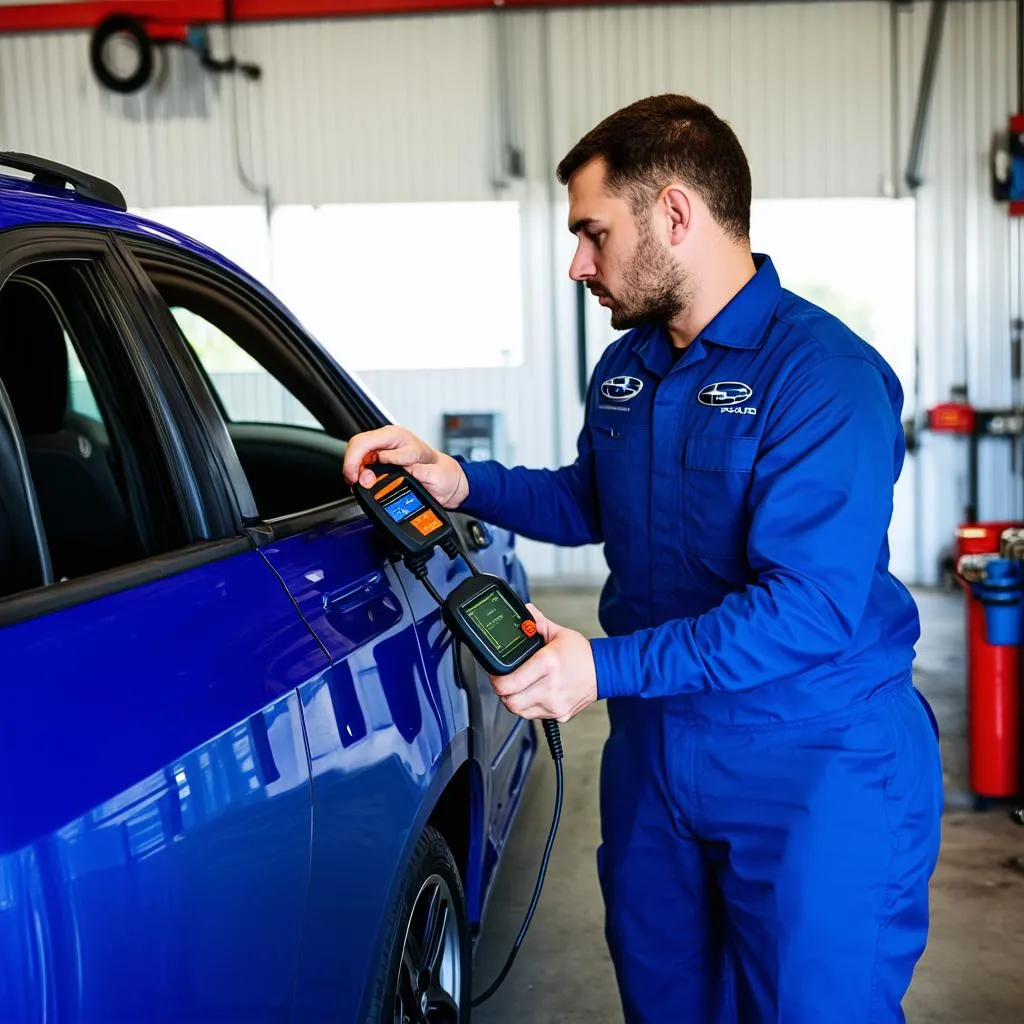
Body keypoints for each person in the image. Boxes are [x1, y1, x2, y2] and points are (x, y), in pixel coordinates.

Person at [343, 93, 943, 1024]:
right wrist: (458, 480)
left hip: (812, 761)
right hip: (658, 755)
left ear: (674, 213)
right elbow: (591, 499)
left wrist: (600, 665)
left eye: (593, 232)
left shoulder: (824, 379)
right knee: (664, 1001)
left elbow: (810, 609)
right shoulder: (627, 368)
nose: (578, 263)